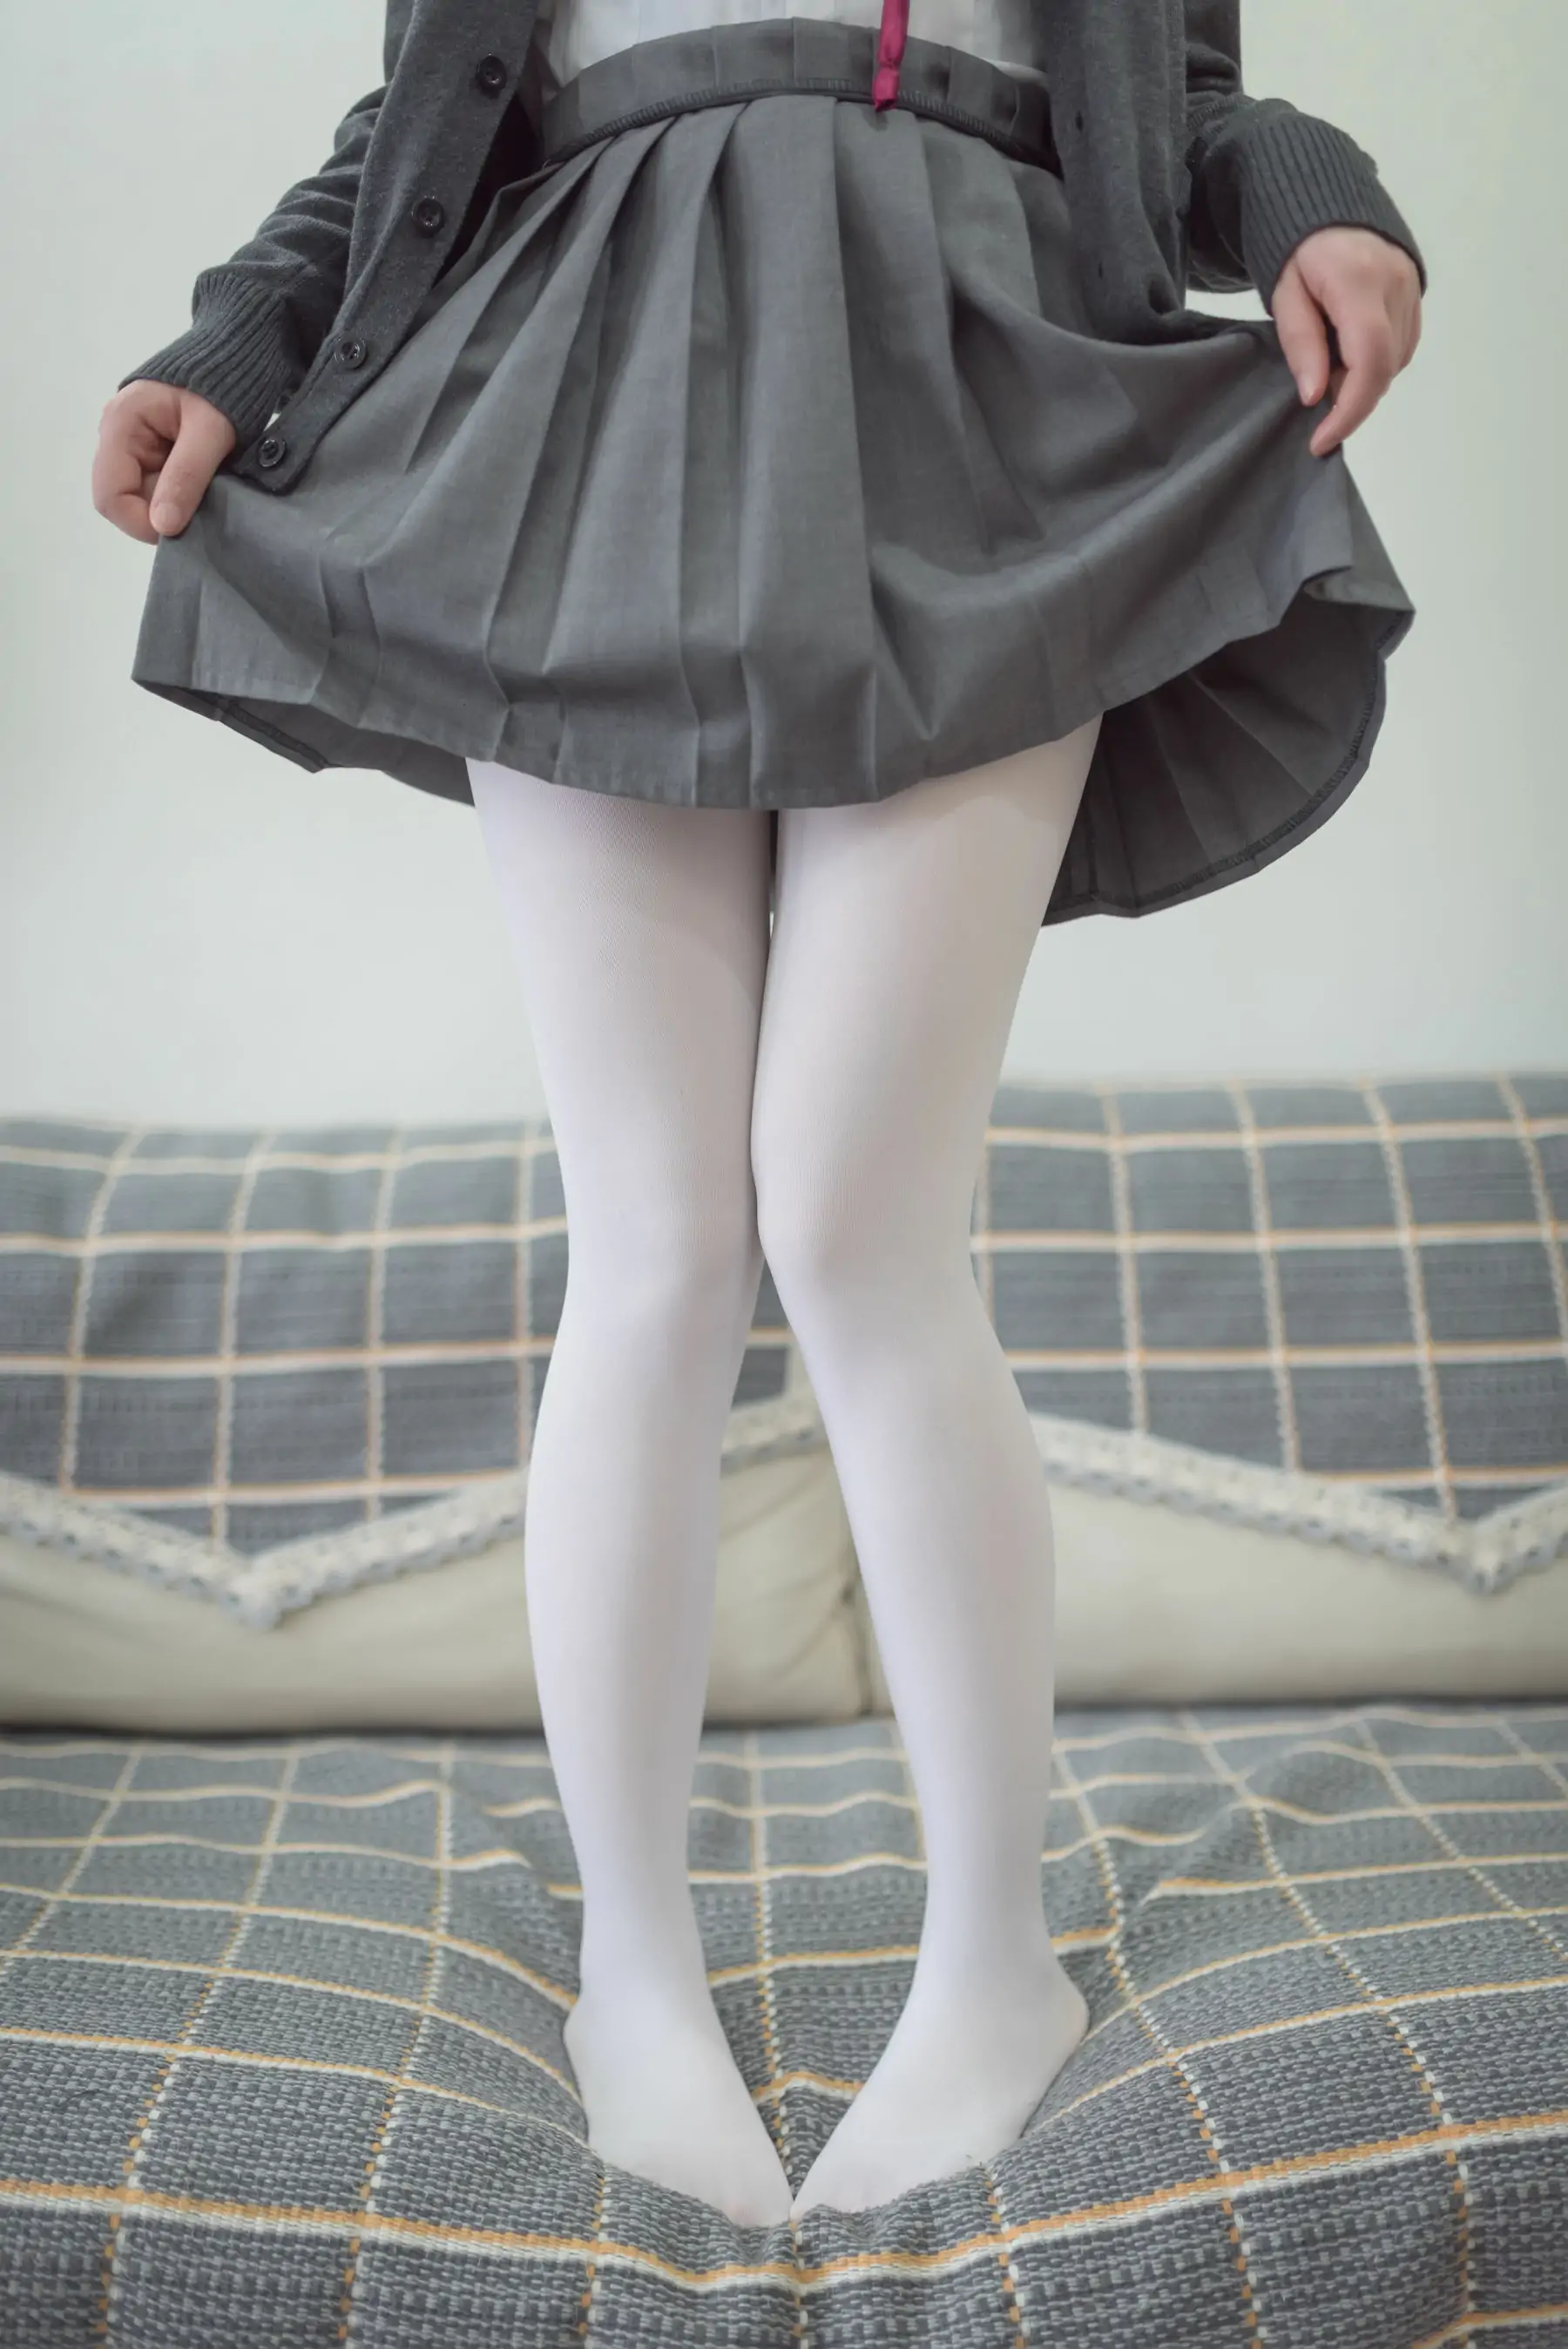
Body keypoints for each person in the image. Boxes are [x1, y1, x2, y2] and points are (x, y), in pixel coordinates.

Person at [92, 0, 1424, 2231]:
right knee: (655, 1240)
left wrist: (1315, 198)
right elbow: (421, 126)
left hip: (982, 371)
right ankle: (634, 1966)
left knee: (859, 1216)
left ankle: (995, 1961)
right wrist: (243, 343)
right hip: (577, 379)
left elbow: (1172, 103)